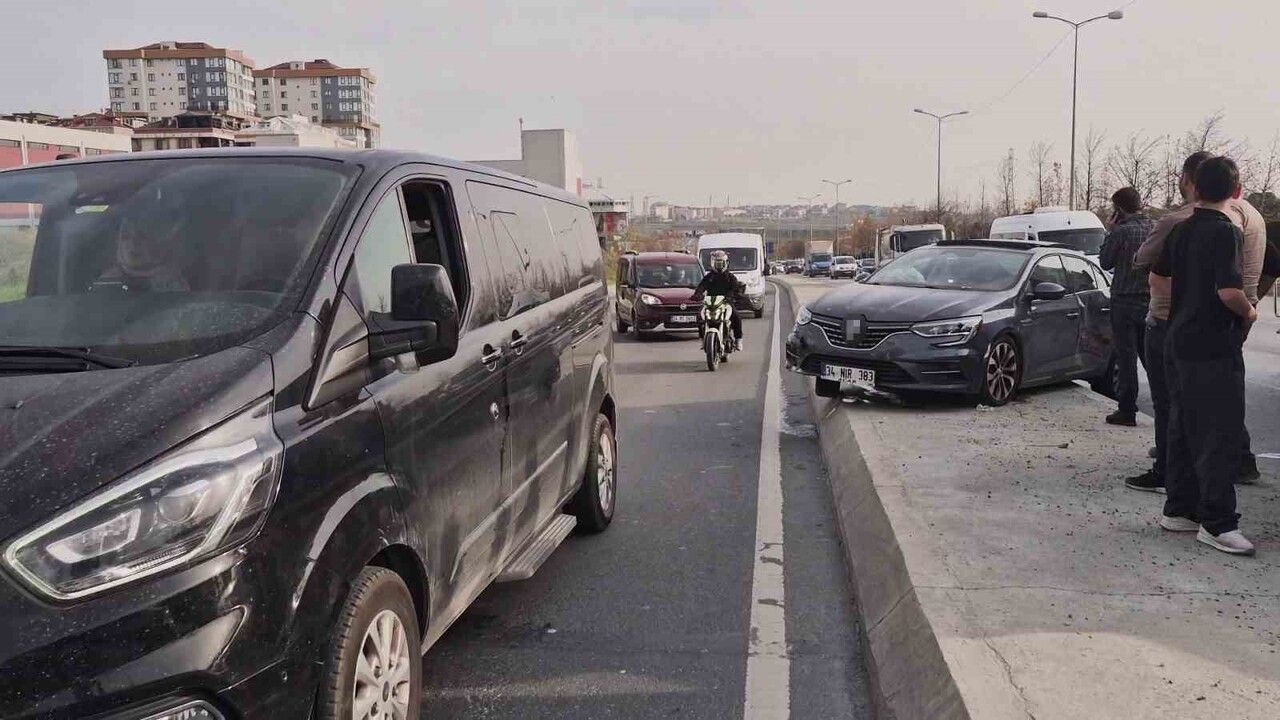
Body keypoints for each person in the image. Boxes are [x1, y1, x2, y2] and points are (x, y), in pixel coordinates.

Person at [1127, 152, 1265, 492]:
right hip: (1227, 325)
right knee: (1222, 404)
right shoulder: (1253, 216)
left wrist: (1243, 305)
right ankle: (1239, 462)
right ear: (1236, 188)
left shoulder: (1187, 223)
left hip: (1181, 321)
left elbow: (1148, 264)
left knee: (1175, 405)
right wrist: (1253, 301)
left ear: (1192, 181)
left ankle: (1174, 480)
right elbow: (1268, 263)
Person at [1150, 156, 1256, 556]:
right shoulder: (1227, 231)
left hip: (1177, 339)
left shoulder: (1181, 229)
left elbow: (1156, 277)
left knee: (1182, 424)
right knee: (1219, 431)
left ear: (1192, 186)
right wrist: (1250, 310)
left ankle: (1179, 510)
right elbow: (1228, 292)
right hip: (1212, 345)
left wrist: (1178, 306)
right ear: (1236, 191)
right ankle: (1218, 523)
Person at [1098, 186, 1154, 426]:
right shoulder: (1155, 227)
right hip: (1150, 301)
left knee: (1126, 357)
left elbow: (1105, 261)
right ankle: (1164, 406)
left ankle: (1127, 409)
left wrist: (1110, 231)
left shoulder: (1121, 232)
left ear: (1118, 209)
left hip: (1123, 300)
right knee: (1151, 357)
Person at [93, 213, 189, 293]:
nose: (133, 243)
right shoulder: (108, 282)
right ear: (118, 242)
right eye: (125, 236)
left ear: (155, 242)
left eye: (141, 236)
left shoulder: (171, 284)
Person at [693, 250, 746, 349]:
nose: (719, 265)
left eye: (721, 263)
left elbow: (735, 288)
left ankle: (738, 339)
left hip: (726, 303)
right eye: (716, 263)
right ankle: (702, 338)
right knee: (700, 316)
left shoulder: (730, 277)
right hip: (710, 303)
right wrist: (698, 294)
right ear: (713, 263)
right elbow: (701, 286)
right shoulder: (709, 277)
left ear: (725, 263)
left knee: (736, 317)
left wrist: (734, 294)